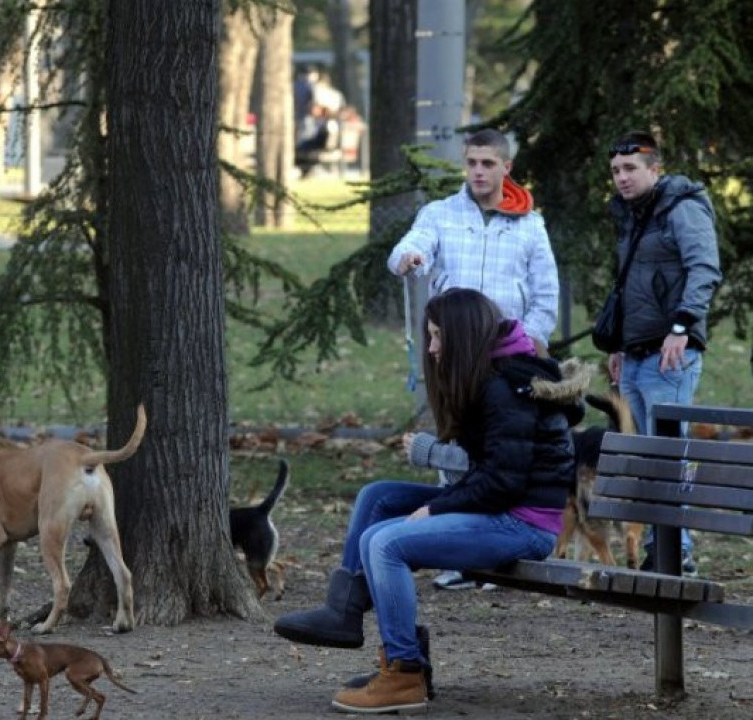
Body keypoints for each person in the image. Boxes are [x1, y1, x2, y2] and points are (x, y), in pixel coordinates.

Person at [273, 288, 587, 714]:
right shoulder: (498, 374)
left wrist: (437, 508)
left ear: (463, 337)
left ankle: (404, 672)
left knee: (386, 542)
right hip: (501, 507)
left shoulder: (505, 386)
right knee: (380, 498)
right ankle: (344, 611)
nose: (434, 349)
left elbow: (502, 484)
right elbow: (492, 473)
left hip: (523, 525)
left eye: (439, 337)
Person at [387, 127, 560, 590]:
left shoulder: (529, 224)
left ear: (507, 168)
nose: (479, 171)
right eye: (471, 163)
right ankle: (454, 550)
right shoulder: (441, 214)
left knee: (496, 449)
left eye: (488, 163)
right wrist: (408, 257)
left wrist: (528, 341)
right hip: (456, 355)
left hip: (504, 359)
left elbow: (546, 296)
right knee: (457, 443)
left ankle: (486, 541)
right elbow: (412, 243)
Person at [603, 131, 721, 576]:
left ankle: (680, 550)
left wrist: (681, 328)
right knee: (650, 456)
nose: (622, 178)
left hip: (670, 354)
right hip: (635, 354)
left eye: (631, 168)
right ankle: (661, 546)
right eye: (616, 171)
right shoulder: (635, 216)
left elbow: (704, 267)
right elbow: (630, 286)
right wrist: (618, 343)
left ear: (655, 168)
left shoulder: (682, 208)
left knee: (670, 451)